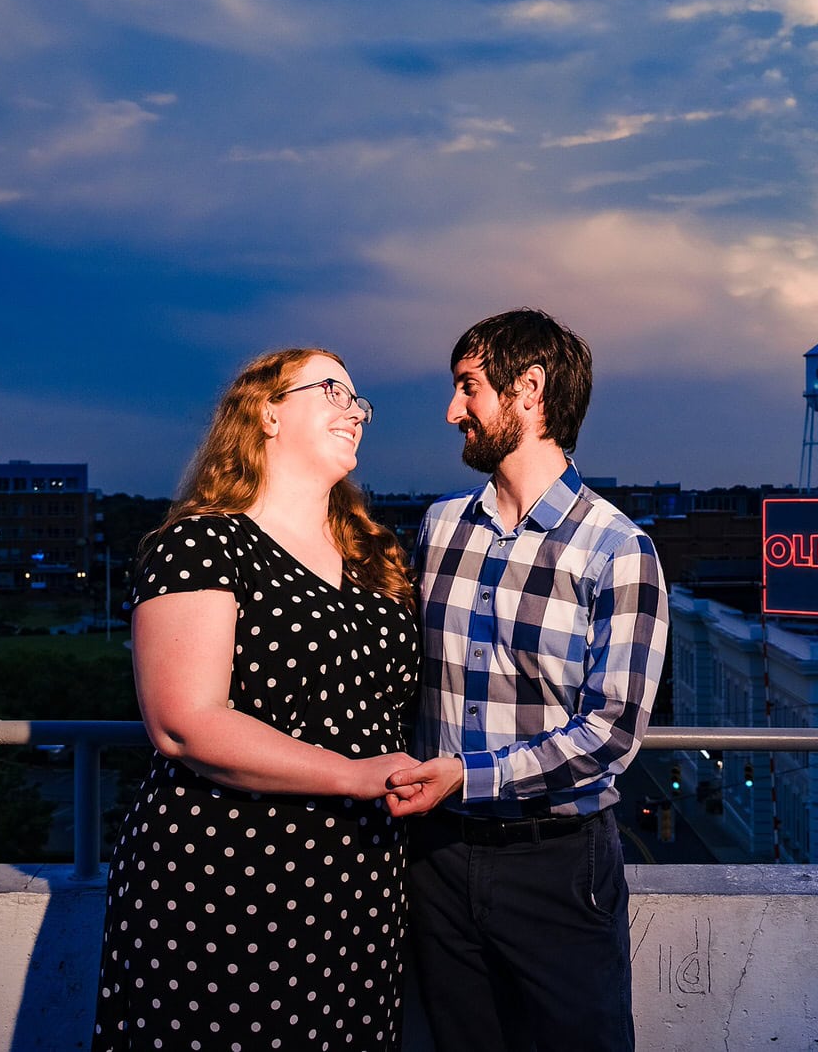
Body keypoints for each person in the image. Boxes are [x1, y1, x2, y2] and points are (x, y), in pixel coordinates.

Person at [92, 348, 424, 1051]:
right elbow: (185, 723)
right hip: (228, 884)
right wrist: (355, 774)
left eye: (360, 400)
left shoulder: (376, 559)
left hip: (360, 890)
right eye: (333, 388)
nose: (354, 410)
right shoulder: (202, 542)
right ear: (267, 411)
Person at [386, 308, 670, 1052]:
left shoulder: (619, 549)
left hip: (557, 868)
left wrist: (464, 777)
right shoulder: (439, 529)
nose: (453, 412)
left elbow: (610, 733)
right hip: (437, 860)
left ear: (529, 391)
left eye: (467, 387)